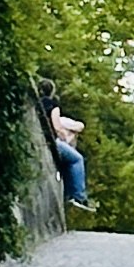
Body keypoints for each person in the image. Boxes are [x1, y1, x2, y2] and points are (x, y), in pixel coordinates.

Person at [39, 80, 88, 208]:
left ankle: (68, 196)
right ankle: (78, 196)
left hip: (39, 140)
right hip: (51, 142)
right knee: (77, 159)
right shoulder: (52, 105)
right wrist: (63, 139)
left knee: (67, 161)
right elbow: (57, 127)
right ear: (52, 92)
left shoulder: (35, 105)